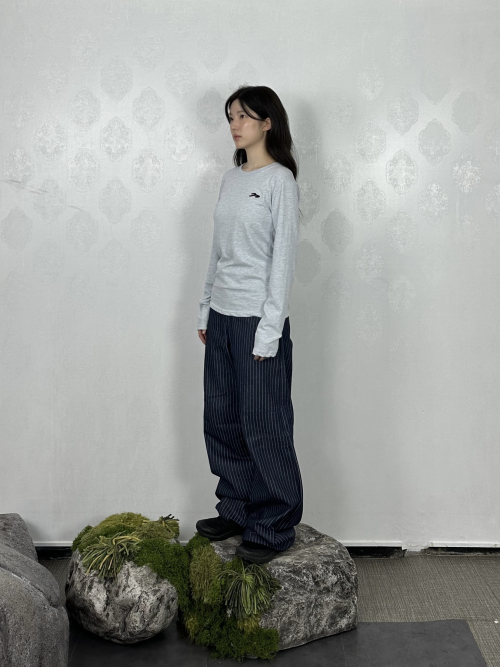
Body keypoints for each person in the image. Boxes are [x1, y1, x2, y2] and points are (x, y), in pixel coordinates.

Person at [196, 85, 303, 564]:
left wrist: (270, 329)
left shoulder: (280, 181)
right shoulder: (230, 179)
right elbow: (218, 251)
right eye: (230, 117)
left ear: (267, 122)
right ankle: (236, 509)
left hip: (258, 322)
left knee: (264, 426)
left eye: (243, 116)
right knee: (221, 419)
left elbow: (284, 261)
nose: (234, 124)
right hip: (222, 318)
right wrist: (206, 309)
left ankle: (274, 523)